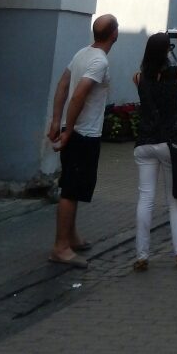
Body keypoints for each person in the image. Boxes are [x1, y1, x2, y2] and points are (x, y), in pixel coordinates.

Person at [46, 14, 119, 268]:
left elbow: (63, 84)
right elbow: (77, 95)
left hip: (74, 129)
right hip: (83, 133)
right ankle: (60, 247)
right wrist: (68, 130)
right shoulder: (99, 61)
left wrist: (58, 122)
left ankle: (71, 236)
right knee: (71, 189)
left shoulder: (82, 53)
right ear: (114, 34)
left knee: (73, 186)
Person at [131, 28, 177, 272]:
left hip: (145, 143)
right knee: (175, 201)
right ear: (166, 53)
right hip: (170, 143)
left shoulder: (138, 77)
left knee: (145, 199)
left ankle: (141, 256)